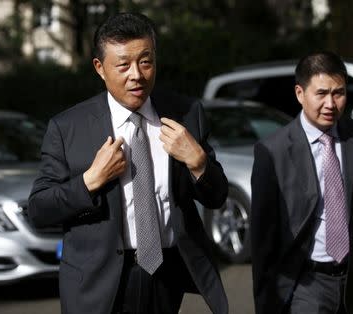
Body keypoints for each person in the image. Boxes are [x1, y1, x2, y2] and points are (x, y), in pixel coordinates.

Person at [28, 12, 229, 314]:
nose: (136, 74)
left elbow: (217, 197)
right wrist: (89, 182)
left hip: (165, 276)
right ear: (100, 68)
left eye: (145, 61)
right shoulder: (68, 128)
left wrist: (198, 161)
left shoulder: (185, 113)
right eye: (123, 65)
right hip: (97, 285)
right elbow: (39, 209)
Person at [250, 51, 353, 314]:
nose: (331, 103)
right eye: (322, 93)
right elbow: (262, 238)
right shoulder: (273, 151)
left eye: (338, 93)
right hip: (303, 283)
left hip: (350, 283)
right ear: (299, 93)